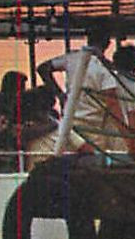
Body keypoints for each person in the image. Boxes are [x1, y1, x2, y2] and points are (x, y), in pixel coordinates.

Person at [38, 25, 127, 154]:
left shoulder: (72, 58)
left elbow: (43, 68)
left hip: (70, 126)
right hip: (94, 129)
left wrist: (60, 94)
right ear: (108, 43)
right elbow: (112, 103)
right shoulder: (106, 69)